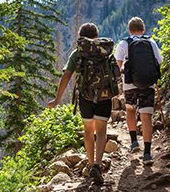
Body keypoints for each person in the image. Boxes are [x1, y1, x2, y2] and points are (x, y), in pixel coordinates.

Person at [46, 23, 118, 176]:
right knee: (101, 131)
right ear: (96, 36)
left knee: (88, 130)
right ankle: (98, 164)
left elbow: (66, 76)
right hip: (104, 96)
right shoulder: (106, 52)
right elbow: (116, 74)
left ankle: (91, 163)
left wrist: (57, 99)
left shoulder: (77, 53)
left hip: (85, 97)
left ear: (81, 37)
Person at [113, 16, 162, 163]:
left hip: (129, 83)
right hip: (148, 83)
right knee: (146, 116)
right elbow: (159, 62)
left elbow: (117, 66)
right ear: (143, 29)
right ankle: (147, 153)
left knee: (130, 110)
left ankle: (134, 142)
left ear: (130, 30)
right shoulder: (151, 42)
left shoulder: (124, 43)